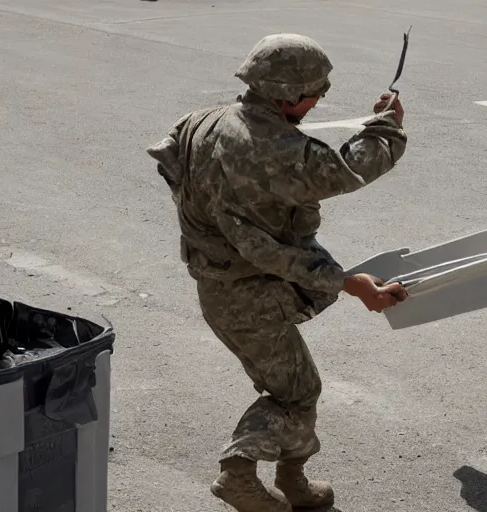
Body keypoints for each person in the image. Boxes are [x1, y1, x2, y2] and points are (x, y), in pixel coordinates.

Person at [146, 33, 409, 512]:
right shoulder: (273, 149)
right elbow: (346, 171)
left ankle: (294, 480)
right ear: (290, 95)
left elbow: (172, 168)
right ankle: (238, 474)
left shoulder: (203, 120)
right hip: (251, 295)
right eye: (317, 93)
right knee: (297, 393)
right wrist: (387, 127)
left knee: (294, 384)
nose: (318, 101)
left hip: (220, 283)